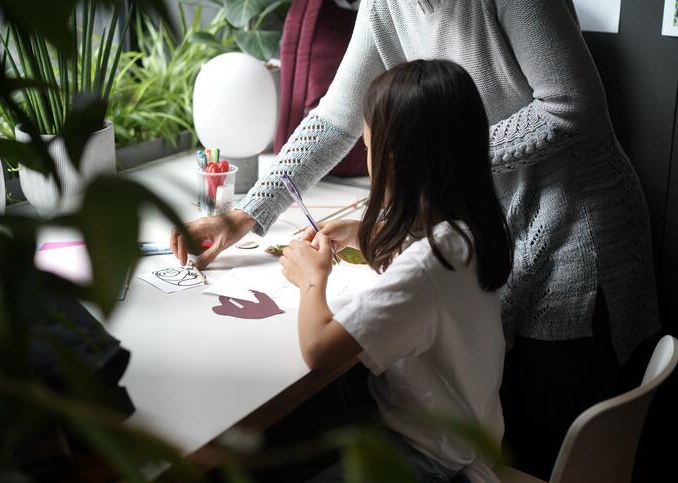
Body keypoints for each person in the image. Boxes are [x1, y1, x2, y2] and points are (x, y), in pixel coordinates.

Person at [171, 0, 660, 477]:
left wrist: (438, 158)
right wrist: (245, 214)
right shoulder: (386, 5)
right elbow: (336, 118)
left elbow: (571, 106)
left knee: (540, 440)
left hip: (574, 234)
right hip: (484, 217)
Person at [279, 59, 512, 482]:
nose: (366, 159)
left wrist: (312, 278)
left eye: (368, 147)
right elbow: (420, 262)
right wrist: (368, 233)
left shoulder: (428, 267)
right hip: (462, 442)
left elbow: (318, 351)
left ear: (394, 160)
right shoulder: (471, 230)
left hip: (428, 461)